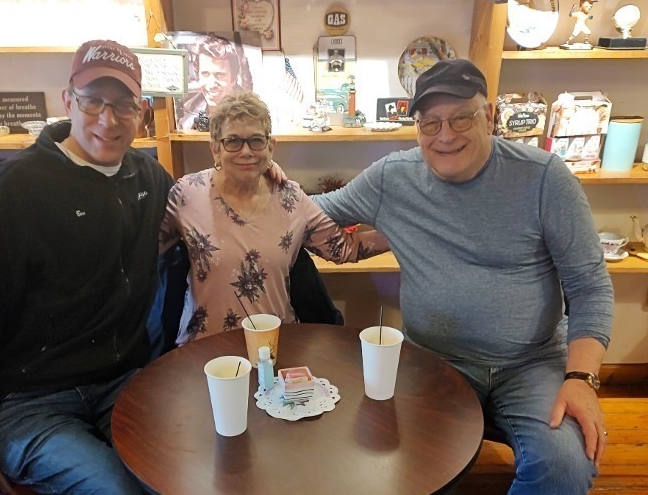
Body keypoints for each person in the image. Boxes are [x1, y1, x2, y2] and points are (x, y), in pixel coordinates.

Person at [312, 59, 613, 494]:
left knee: (565, 465)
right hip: (434, 361)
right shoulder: (391, 178)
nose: (446, 135)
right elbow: (310, 215)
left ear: (488, 116)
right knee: (392, 460)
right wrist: (243, 182)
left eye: (460, 118)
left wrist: (581, 380)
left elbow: (590, 288)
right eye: (430, 123)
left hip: (532, 364)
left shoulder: (546, 178)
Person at [0, 39, 174, 494]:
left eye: (124, 105)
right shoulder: (16, 188)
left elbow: (204, 205)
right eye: (93, 102)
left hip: (123, 381)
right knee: (117, 490)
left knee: (184, 471)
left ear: (141, 114)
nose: (108, 119)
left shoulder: (148, 177)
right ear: (68, 101)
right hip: (28, 400)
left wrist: (260, 175)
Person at [159, 90, 388, 344]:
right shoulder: (187, 195)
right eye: (233, 141)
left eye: (256, 141)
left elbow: (343, 249)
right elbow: (148, 253)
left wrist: (401, 233)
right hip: (206, 348)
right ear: (215, 148)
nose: (246, 152)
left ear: (271, 146)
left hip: (277, 345)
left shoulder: (291, 198)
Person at [176, 35, 251, 130]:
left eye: (219, 75)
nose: (211, 85)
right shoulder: (187, 117)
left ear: (233, 79)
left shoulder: (251, 116)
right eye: (205, 74)